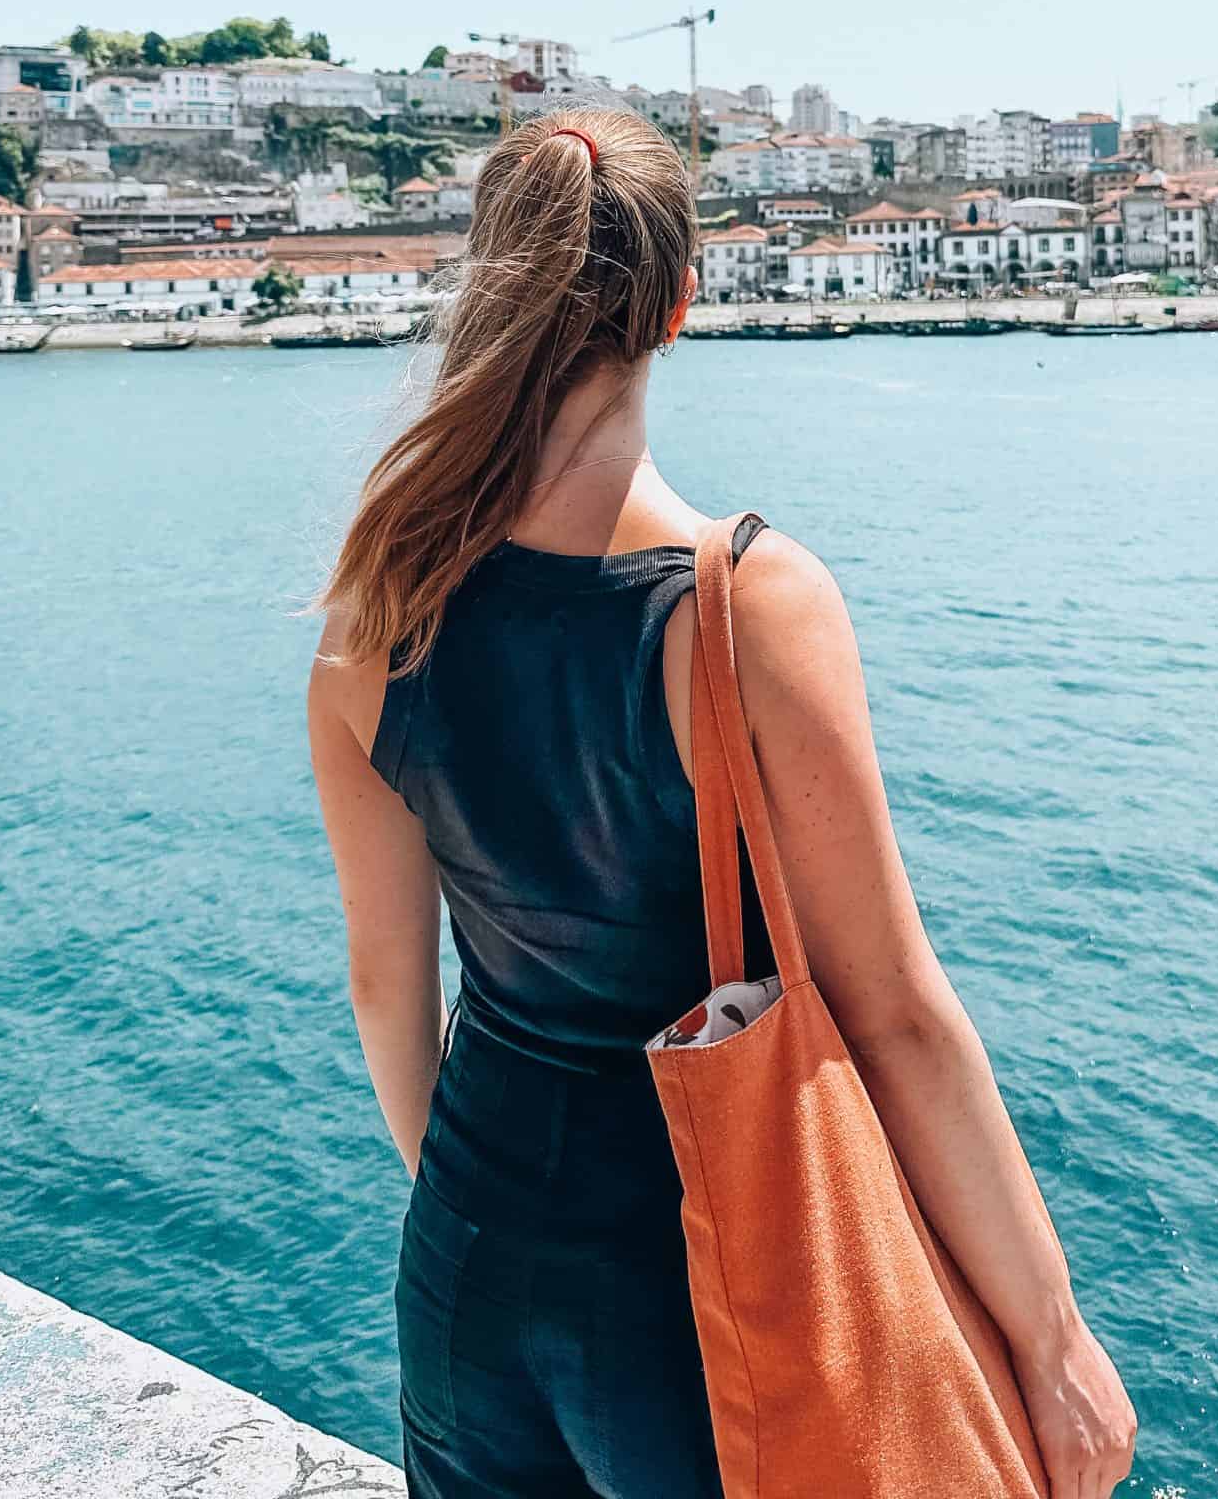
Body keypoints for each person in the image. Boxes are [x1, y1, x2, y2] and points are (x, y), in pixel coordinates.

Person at [309, 109, 1136, 1499]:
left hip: (463, 1268)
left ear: (488, 284)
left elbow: (389, 991)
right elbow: (897, 1013)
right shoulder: (749, 608)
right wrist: (1053, 1344)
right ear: (680, 305)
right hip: (702, 1282)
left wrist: (473, 1208)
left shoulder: (372, 613)